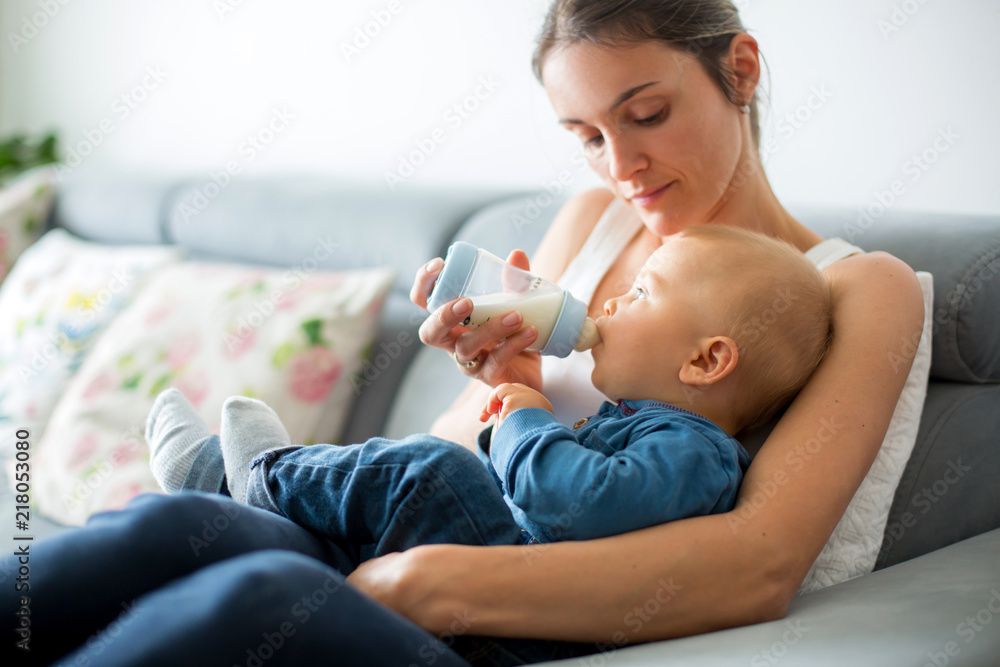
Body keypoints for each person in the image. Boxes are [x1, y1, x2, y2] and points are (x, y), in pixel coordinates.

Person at [0, 1, 925, 665]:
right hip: (417, 529)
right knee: (183, 523)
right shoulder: (596, 220)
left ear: (742, 70)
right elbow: (457, 443)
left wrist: (427, 583)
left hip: (505, 618)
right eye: (587, 133)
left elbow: (757, 564)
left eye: (646, 115)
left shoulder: (856, 285)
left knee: (261, 597)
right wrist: (489, 378)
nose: (622, 163)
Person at [145, 225, 830, 576]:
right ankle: (220, 486)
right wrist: (507, 389)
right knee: (393, 500)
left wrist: (523, 403)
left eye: (643, 294)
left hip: (521, 600)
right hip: (493, 557)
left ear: (706, 360)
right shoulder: (637, 424)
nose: (615, 300)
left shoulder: (697, 452)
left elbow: (571, 504)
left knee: (433, 472)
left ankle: (262, 473)